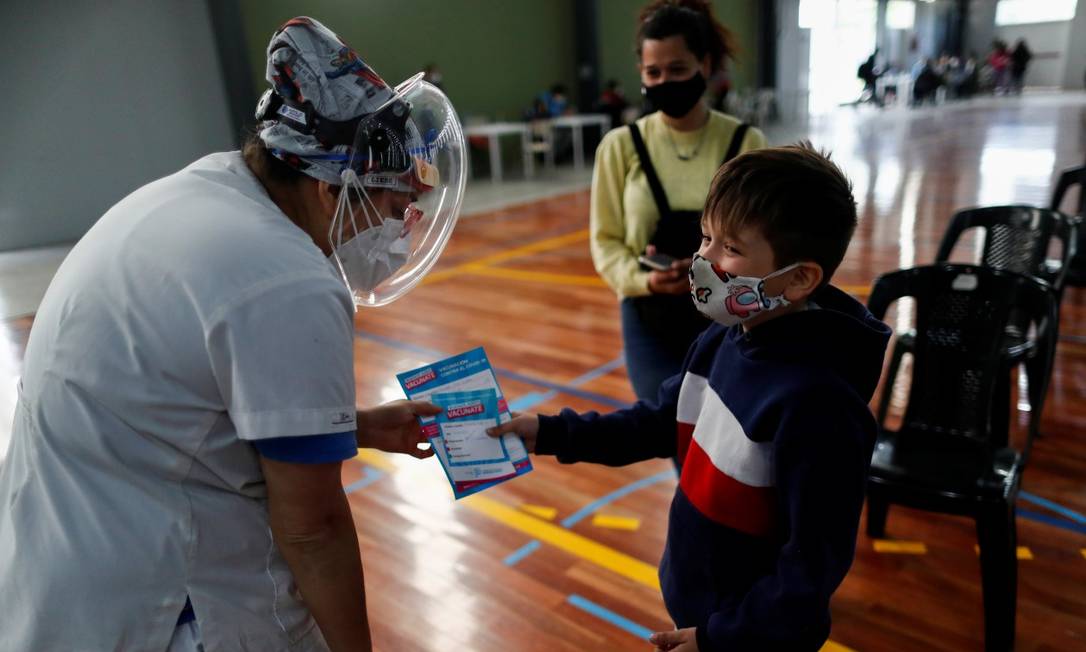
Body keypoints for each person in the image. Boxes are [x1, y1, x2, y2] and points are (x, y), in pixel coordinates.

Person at [0, 17, 467, 652]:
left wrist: (355, 425)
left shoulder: (201, 192)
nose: (396, 230)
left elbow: (184, 402)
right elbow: (312, 529)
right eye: (389, 207)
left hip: (61, 560)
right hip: (159, 597)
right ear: (332, 190)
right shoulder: (289, 280)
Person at [491, 142, 891, 651]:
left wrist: (720, 638)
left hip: (750, 636)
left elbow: (809, 569)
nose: (703, 257)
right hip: (699, 608)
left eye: (730, 247)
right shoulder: (725, 337)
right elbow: (658, 422)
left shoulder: (819, 405)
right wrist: (547, 431)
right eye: (706, 236)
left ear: (799, 279)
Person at [590, 0, 767, 449]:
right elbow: (606, 242)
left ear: (705, 64)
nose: (664, 82)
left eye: (677, 68)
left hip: (729, 317)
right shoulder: (619, 146)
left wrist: (714, 263)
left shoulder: (746, 142)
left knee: (729, 441)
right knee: (677, 435)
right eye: (653, 73)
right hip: (650, 318)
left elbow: (763, 241)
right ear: (641, 73)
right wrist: (645, 281)